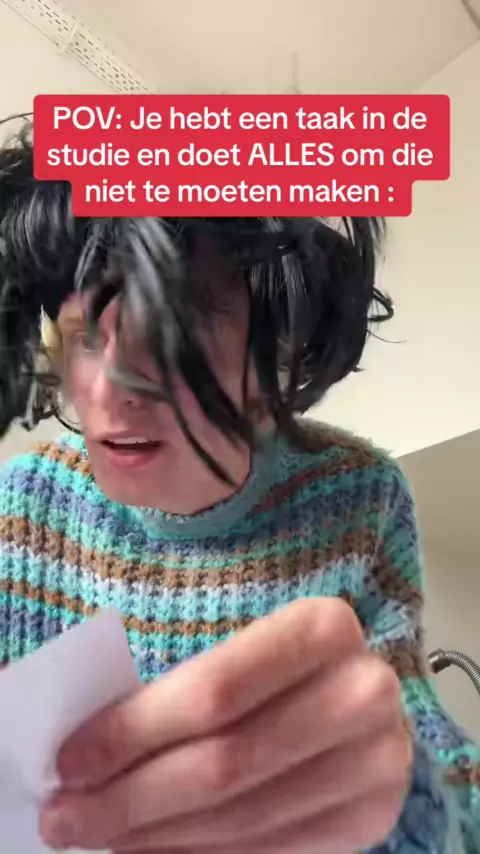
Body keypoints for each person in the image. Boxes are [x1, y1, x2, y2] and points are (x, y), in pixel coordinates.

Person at [0, 119, 478, 854]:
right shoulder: (22, 505)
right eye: (88, 336)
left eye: (172, 334)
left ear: (275, 351)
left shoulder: (361, 498)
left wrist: (403, 803)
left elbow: (453, 792)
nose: (110, 392)